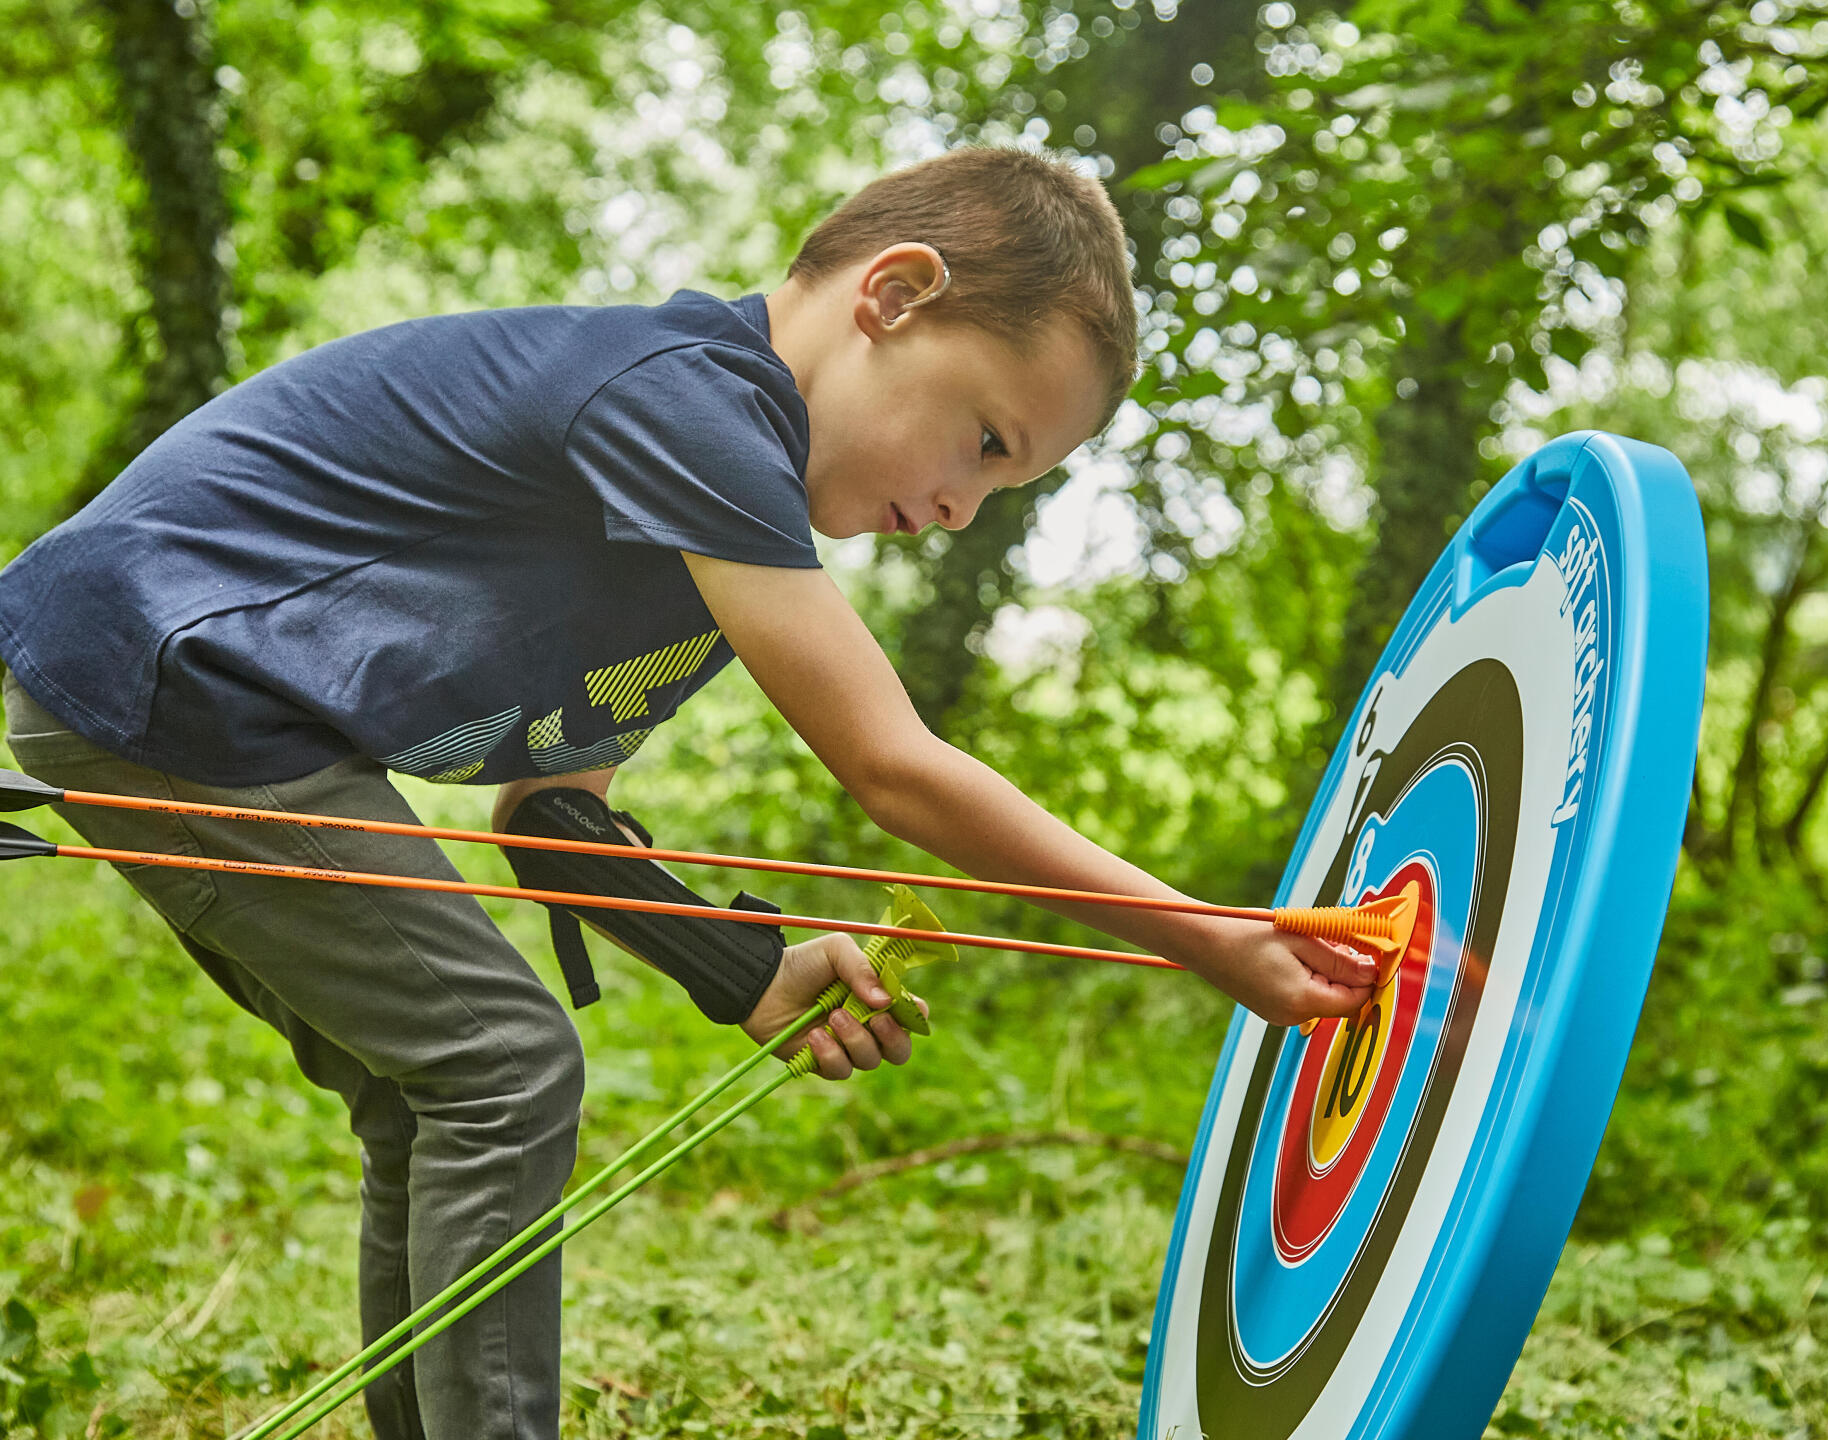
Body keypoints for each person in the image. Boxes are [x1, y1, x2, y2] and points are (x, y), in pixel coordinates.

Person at [0, 145, 1376, 1439]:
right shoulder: (687, 401)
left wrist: (744, 963)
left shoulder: (702, 529)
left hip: (165, 691)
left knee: (433, 1090)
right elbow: (893, 768)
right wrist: (1208, 934)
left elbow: (550, 817)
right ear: (892, 296)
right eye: (988, 444)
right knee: (504, 1069)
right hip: (163, 669)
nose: (967, 507)